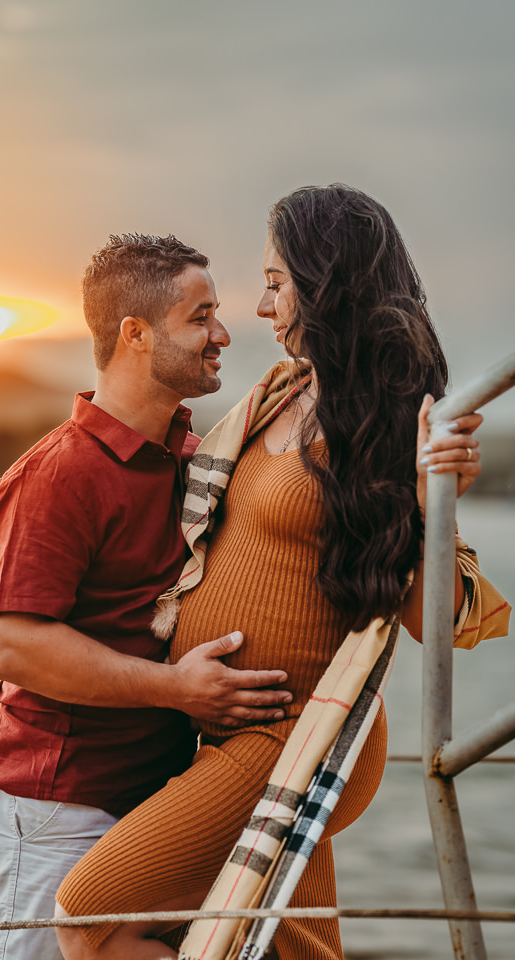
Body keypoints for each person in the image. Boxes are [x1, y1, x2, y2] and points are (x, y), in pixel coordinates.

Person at [54, 186, 511, 960]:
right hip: (237, 731)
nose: (263, 310)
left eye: (276, 283)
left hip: (299, 732)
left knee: (90, 919)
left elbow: (432, 620)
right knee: (293, 951)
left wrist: (436, 495)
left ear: (325, 282)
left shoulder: (388, 420)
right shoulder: (281, 394)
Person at [0, 233, 294, 960]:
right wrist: (178, 689)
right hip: (53, 809)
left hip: (156, 808)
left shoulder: (193, 460)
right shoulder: (59, 474)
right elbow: (12, 644)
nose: (223, 334)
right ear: (135, 335)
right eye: (200, 316)